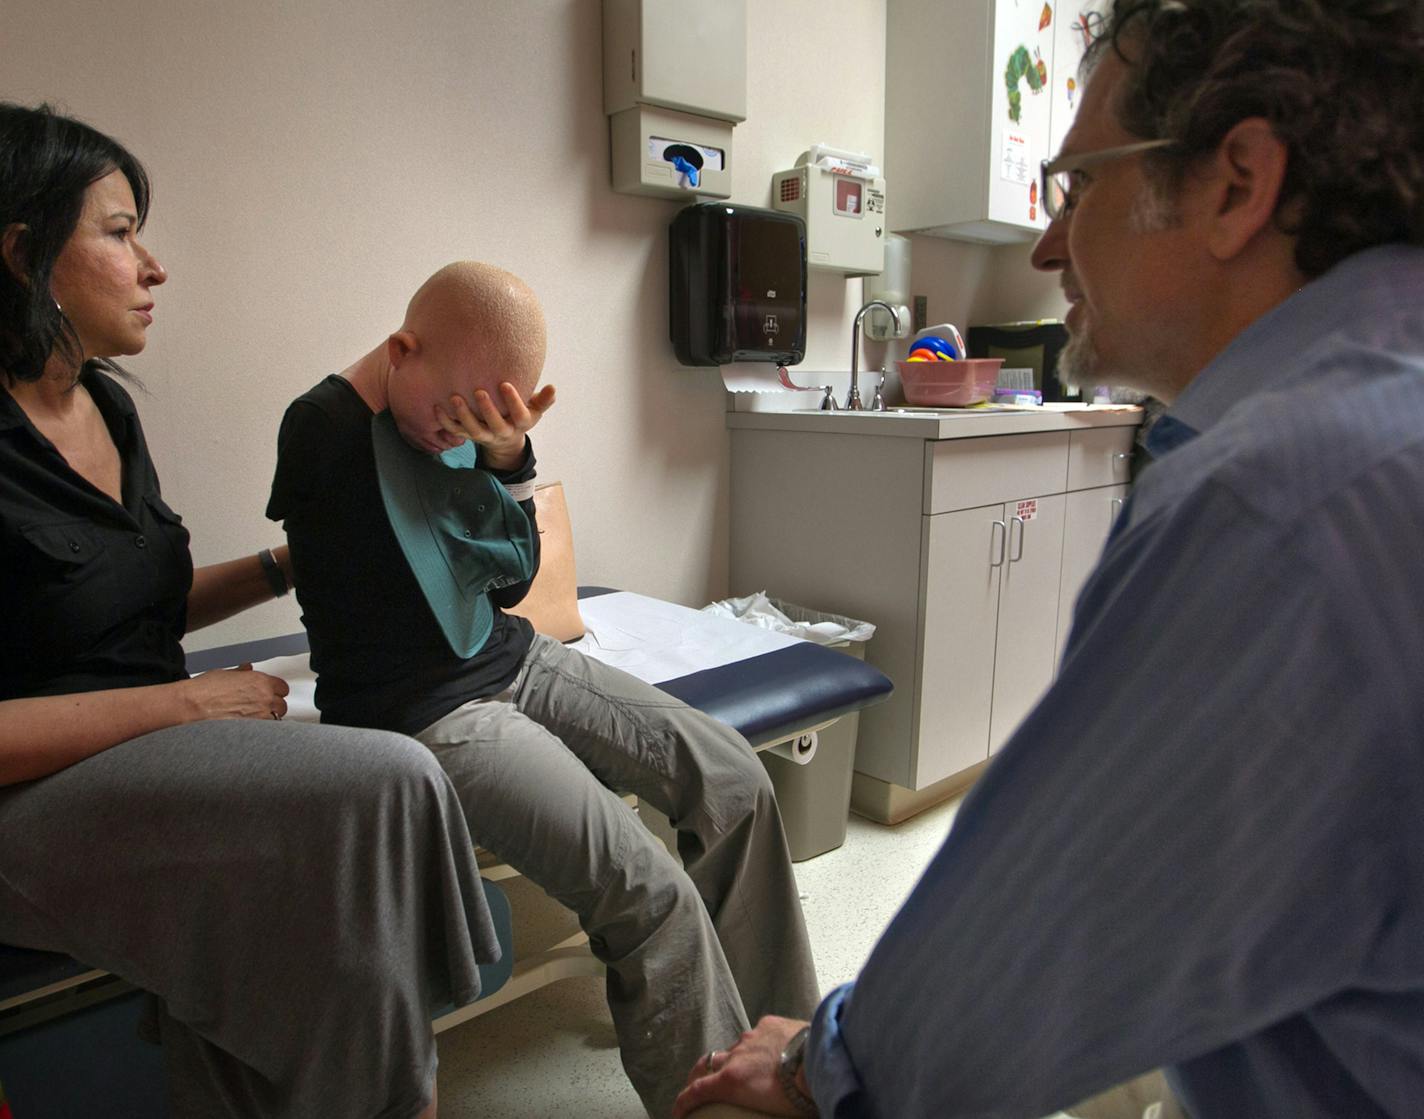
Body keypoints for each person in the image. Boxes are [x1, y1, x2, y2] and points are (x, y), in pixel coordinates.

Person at [672, 1, 1424, 1116]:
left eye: (1076, 187)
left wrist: (809, 1064)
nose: (1046, 243)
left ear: (1235, 183)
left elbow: (986, 1007)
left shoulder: (1280, 503)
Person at [0, 102, 500, 1119]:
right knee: (387, 782)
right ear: (22, 253)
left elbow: (108, 609)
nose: (153, 265)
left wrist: (288, 562)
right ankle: (396, 1090)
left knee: (294, 914)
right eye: (119, 230)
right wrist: (181, 708)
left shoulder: (106, 406)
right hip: (34, 800)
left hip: (139, 758)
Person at [265, 261, 820, 1119]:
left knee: (734, 777)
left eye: (485, 416)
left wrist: (509, 455)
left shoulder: (468, 422)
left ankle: (792, 1062)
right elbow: (412, 579)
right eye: (454, 410)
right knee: (646, 890)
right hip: (424, 709)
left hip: (514, 657)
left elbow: (512, 581)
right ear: (402, 350)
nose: (458, 431)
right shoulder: (321, 429)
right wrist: (474, 469)